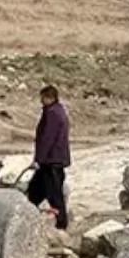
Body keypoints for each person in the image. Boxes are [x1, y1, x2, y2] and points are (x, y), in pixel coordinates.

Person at [29, 85, 71, 230]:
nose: (41, 101)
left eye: (43, 97)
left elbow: (47, 138)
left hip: (52, 161)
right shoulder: (55, 111)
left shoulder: (53, 114)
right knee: (35, 191)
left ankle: (61, 224)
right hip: (50, 161)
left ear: (49, 98)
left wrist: (38, 160)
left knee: (54, 194)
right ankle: (28, 218)